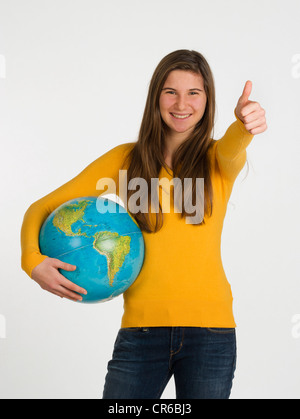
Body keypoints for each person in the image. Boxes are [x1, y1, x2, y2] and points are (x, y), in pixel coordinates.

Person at [21, 49, 267, 399]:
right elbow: (42, 207)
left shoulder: (218, 160)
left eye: (194, 93)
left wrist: (244, 126)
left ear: (208, 100)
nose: (182, 103)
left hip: (211, 335)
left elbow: (233, 146)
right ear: (156, 97)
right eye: (171, 91)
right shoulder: (127, 160)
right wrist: (31, 262)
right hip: (141, 334)